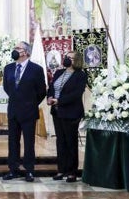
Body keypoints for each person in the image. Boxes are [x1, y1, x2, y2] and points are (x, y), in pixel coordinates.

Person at [2, 41, 46, 182]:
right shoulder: (8, 68)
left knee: (29, 142)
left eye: (18, 48)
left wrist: (31, 103)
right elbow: (7, 87)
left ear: (26, 52)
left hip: (29, 111)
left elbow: (41, 91)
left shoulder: (36, 69)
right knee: (12, 142)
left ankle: (29, 171)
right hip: (13, 110)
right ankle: (13, 169)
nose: (15, 50)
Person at [46, 51, 87, 183]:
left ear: (77, 60)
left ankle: (71, 172)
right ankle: (61, 169)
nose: (67, 59)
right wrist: (50, 97)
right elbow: (52, 87)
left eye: (70, 58)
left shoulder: (80, 75)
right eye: (66, 57)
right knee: (60, 141)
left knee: (70, 142)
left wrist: (60, 100)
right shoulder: (59, 72)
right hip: (57, 112)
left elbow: (76, 94)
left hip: (71, 112)